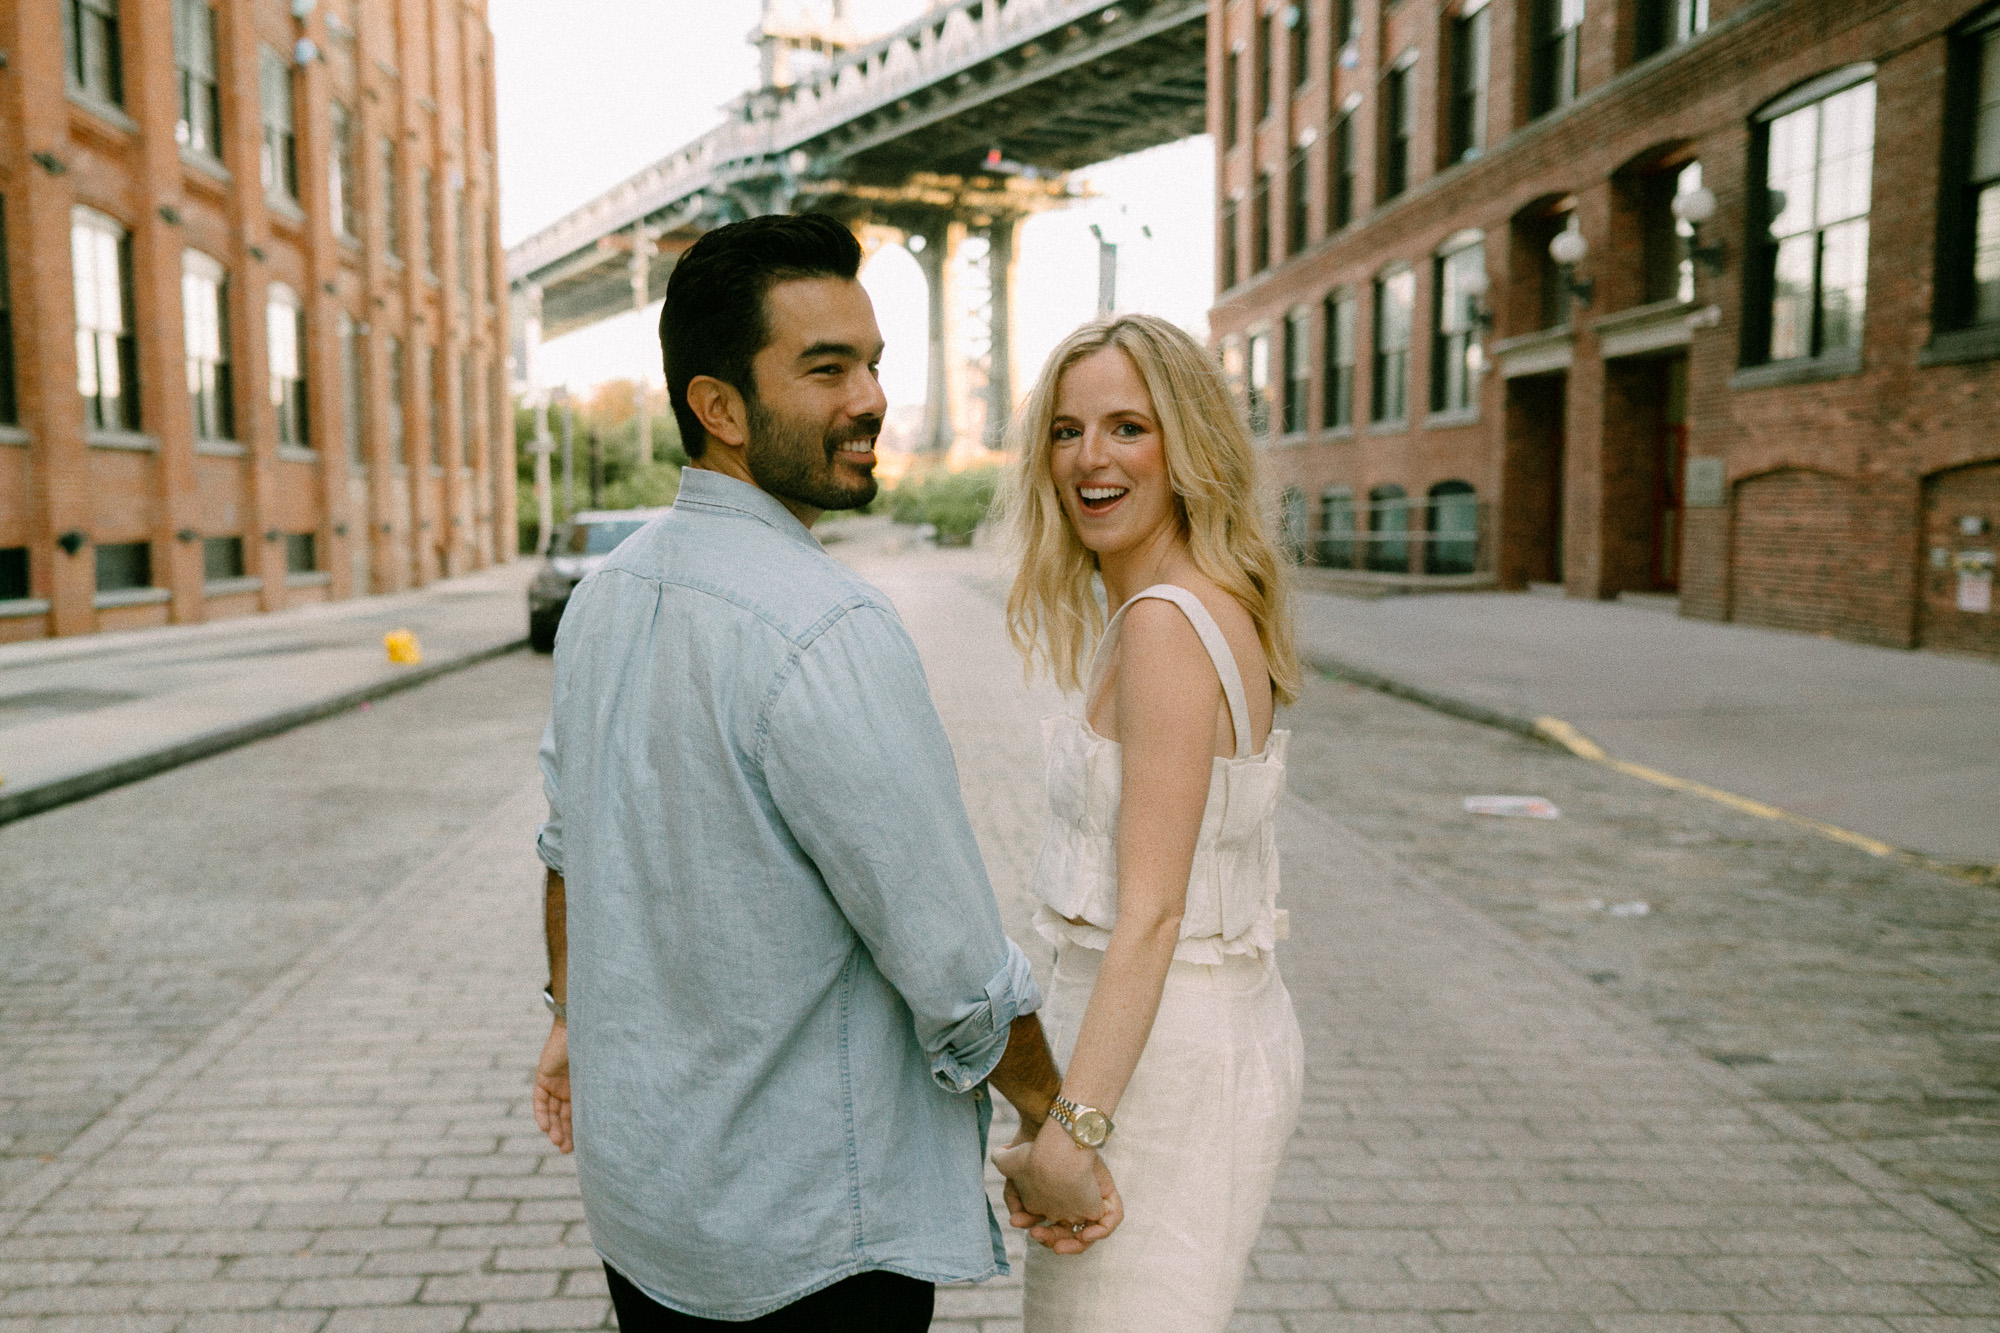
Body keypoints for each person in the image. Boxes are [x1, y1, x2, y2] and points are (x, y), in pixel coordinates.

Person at [529, 214, 1117, 1332]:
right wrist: (1059, 1120)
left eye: (874, 364)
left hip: (645, 1220)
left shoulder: (604, 595)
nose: (872, 399)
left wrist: (568, 1015)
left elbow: (565, 853)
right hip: (806, 1243)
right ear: (719, 408)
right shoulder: (828, 625)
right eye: (826, 368)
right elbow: (950, 958)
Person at [993, 313, 1307, 1333]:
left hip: (1157, 1068)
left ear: (1188, 445)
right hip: (1173, 1046)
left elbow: (1153, 915)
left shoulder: (1169, 624)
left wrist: (1071, 1132)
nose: (1090, 458)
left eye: (1127, 427)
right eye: (1066, 430)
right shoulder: (1189, 605)